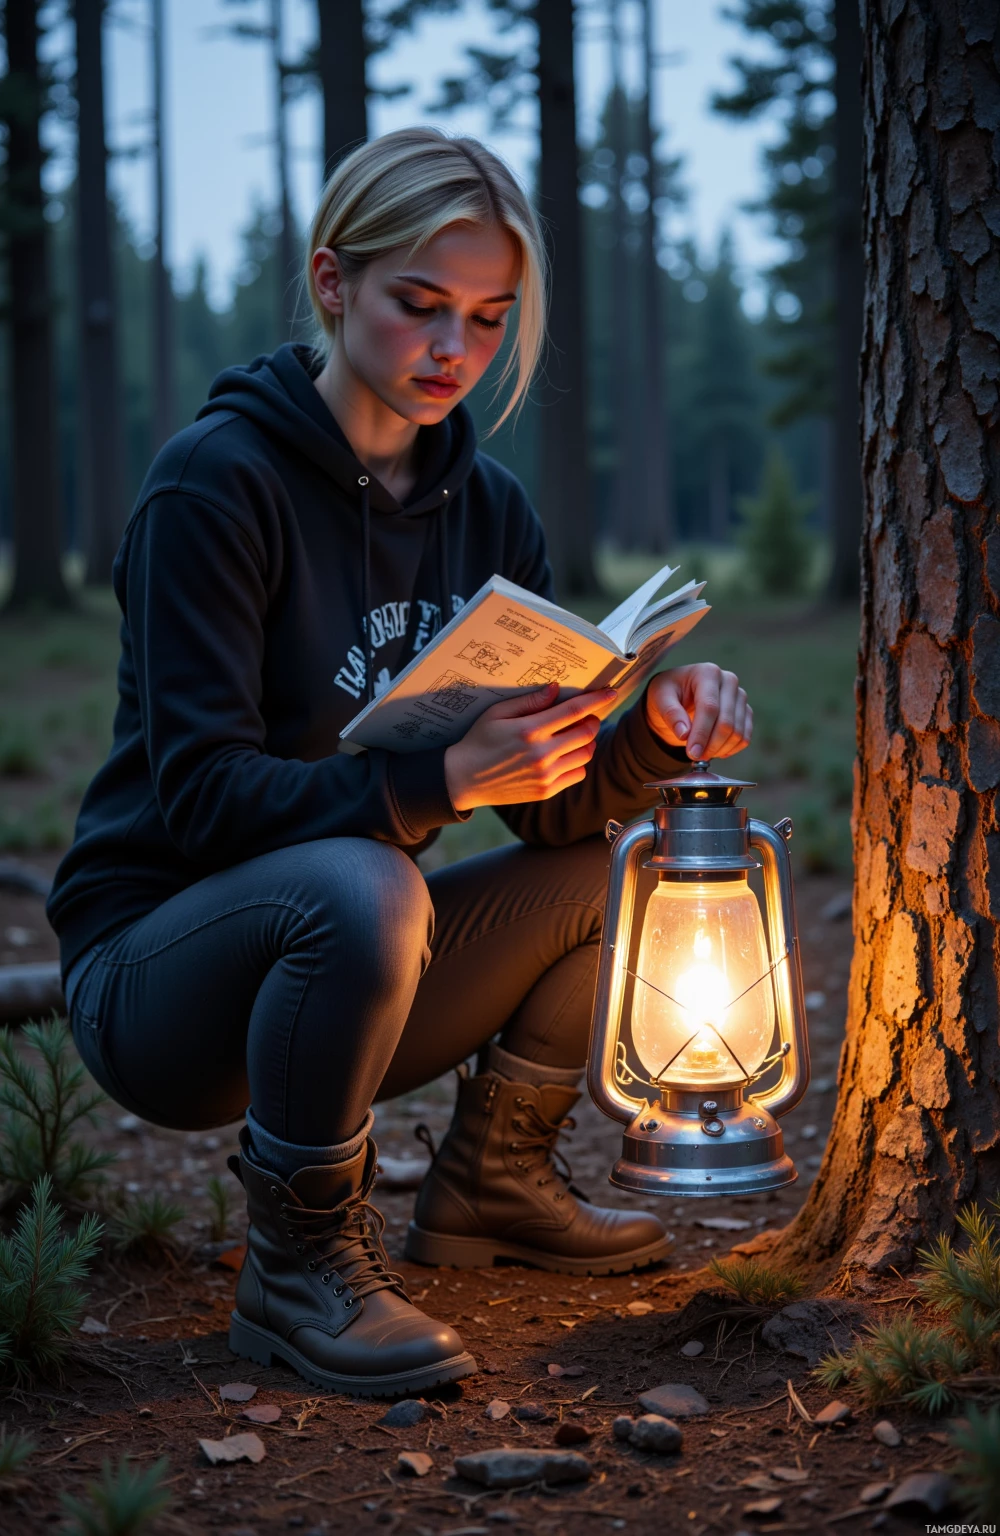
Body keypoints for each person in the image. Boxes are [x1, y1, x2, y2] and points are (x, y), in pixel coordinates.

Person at [47, 128, 753, 1400]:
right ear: (332, 283)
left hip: (350, 975)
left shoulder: (489, 515)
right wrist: (436, 787)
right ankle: (297, 1270)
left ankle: (492, 1187)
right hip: (158, 980)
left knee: (617, 877)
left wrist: (646, 737)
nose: (453, 352)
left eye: (487, 321)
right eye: (419, 306)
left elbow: (549, 826)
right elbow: (200, 802)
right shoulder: (213, 488)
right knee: (369, 884)